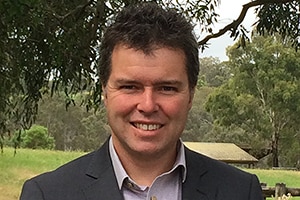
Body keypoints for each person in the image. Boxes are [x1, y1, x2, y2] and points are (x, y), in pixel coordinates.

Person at [20, 3, 263, 200]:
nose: (147, 105)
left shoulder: (241, 191)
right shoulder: (47, 194)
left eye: (167, 88)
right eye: (130, 87)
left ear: (190, 95)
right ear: (105, 92)